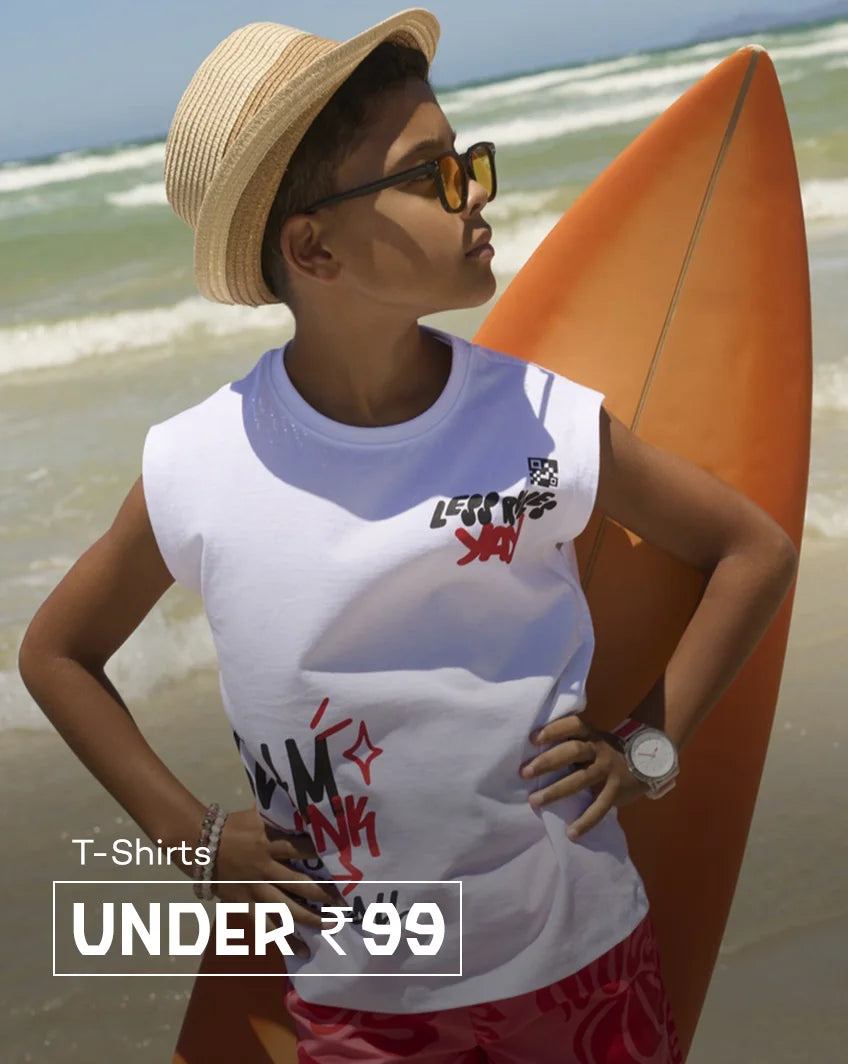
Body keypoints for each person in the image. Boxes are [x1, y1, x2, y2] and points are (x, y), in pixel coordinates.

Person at [18, 10, 798, 1064]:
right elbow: (56, 653)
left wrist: (645, 747)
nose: (477, 192)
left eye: (466, 159)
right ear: (313, 247)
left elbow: (750, 550)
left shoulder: (538, 419)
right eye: (434, 174)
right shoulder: (198, 465)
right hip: (358, 1006)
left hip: (582, 960)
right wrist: (190, 835)